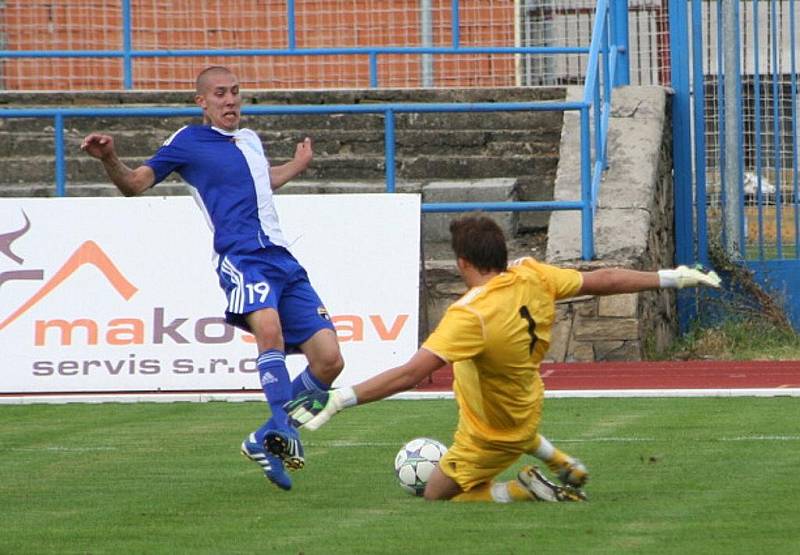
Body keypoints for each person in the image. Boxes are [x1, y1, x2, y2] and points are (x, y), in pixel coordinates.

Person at [286, 214, 721, 503]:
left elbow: (410, 374)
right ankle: (560, 461)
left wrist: (339, 400)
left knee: (439, 495)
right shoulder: (533, 274)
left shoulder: (470, 315)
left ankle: (525, 490)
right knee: (502, 411)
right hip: (526, 401)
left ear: (462, 262)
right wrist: (672, 277)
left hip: (492, 432)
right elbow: (603, 279)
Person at [81, 66, 344, 491]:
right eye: (220, 93)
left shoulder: (251, 140)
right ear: (202, 102)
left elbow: (263, 182)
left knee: (330, 360)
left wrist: (296, 164)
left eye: (236, 92)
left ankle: (264, 438)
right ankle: (285, 430)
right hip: (242, 258)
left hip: (283, 260)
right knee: (270, 330)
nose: (230, 100)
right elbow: (135, 184)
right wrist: (110, 157)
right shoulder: (187, 142)